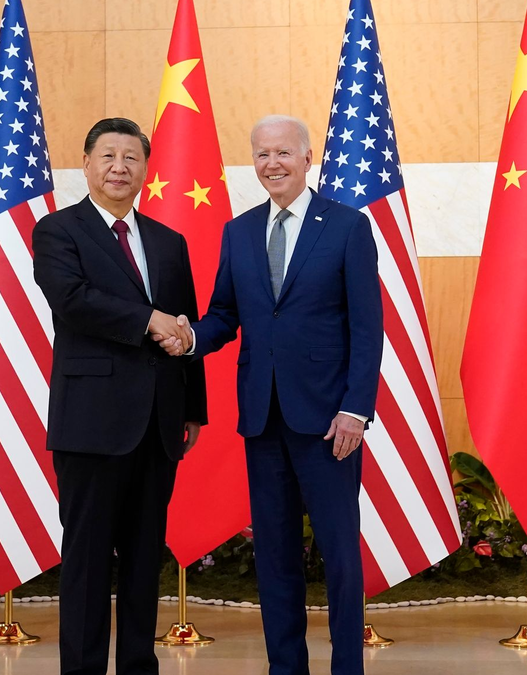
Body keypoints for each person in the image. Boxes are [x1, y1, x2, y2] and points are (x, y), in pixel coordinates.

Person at [158, 115, 382, 675]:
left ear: (309, 158)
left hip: (331, 422)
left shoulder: (348, 227)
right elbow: (225, 316)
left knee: (340, 557)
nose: (272, 164)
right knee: (275, 556)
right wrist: (187, 339)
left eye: (284, 153)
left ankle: (346, 668)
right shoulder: (239, 231)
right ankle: (287, 667)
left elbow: (367, 326)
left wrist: (356, 409)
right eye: (262, 155)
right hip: (262, 419)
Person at [32, 117, 206, 675]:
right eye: (107, 156)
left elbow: (188, 327)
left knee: (142, 558)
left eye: (130, 158)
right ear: (85, 164)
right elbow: (73, 300)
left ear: (145, 170)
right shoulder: (58, 231)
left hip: (159, 423)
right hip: (91, 423)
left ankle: (138, 665)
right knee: (85, 560)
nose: (118, 168)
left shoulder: (168, 241)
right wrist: (147, 319)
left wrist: (194, 408)